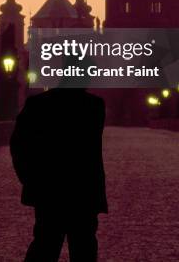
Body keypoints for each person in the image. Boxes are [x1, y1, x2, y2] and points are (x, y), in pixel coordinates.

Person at [10, 87, 107, 262]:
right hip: (83, 194)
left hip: (49, 192)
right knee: (83, 250)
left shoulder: (37, 104)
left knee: (44, 247)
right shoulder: (94, 105)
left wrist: (29, 179)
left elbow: (18, 145)